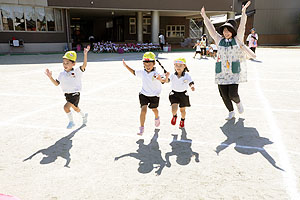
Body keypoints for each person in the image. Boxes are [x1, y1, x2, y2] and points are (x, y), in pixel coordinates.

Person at [201, 1, 256, 120]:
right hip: (221, 70)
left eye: (228, 30)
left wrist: (243, 12)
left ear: (232, 32)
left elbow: (242, 26)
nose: (226, 33)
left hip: (233, 70)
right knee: (223, 94)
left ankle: (238, 102)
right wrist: (205, 17)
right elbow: (211, 29)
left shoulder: (237, 39)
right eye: (224, 30)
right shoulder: (218, 39)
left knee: (232, 94)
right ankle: (231, 111)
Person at [45, 46, 90, 128]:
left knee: (66, 107)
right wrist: (50, 77)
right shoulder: (61, 74)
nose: (65, 65)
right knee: (76, 109)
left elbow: (84, 65)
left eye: (67, 63)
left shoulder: (77, 71)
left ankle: (71, 122)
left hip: (75, 94)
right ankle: (84, 115)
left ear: (73, 64)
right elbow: (56, 84)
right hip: (67, 95)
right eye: (64, 63)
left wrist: (85, 54)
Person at [122, 52, 167, 135]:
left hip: (154, 95)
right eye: (145, 64)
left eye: (149, 64)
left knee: (154, 109)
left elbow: (164, 80)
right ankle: (141, 128)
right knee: (143, 110)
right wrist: (126, 66)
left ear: (154, 64)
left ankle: (157, 118)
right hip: (143, 94)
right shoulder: (142, 72)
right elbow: (134, 72)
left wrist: (164, 78)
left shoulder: (157, 73)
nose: (147, 66)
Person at [165, 58, 195, 128]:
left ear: (184, 66)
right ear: (174, 66)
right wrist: (166, 77)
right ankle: (174, 116)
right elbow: (167, 81)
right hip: (174, 94)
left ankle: (182, 120)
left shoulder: (187, 75)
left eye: (180, 65)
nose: (178, 67)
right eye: (176, 65)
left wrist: (192, 86)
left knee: (182, 110)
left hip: (183, 94)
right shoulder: (172, 75)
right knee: (174, 109)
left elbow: (191, 82)